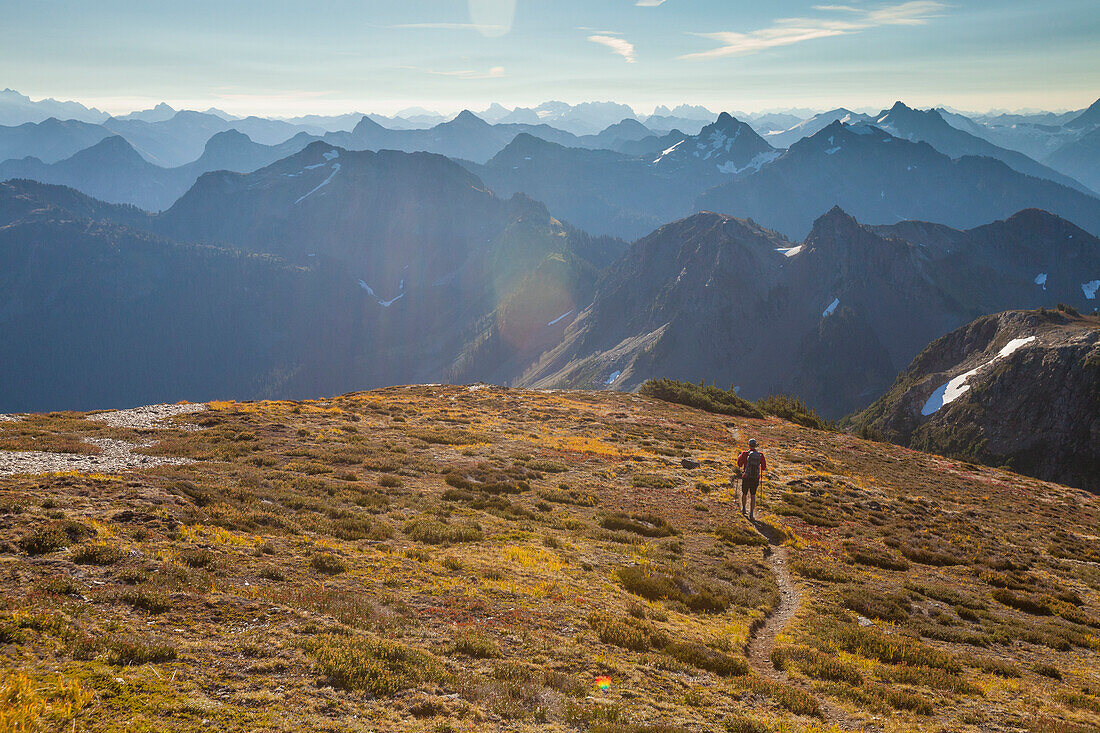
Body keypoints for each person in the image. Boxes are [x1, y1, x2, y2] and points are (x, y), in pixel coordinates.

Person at [736, 438, 766, 520]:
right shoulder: (760, 455)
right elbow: (763, 468)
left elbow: (739, 464)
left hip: (746, 477)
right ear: (755, 445)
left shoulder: (745, 453)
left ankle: (744, 509)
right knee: (753, 495)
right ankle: (752, 513)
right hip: (755, 478)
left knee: (744, 493)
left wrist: (740, 457)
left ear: (748, 445)